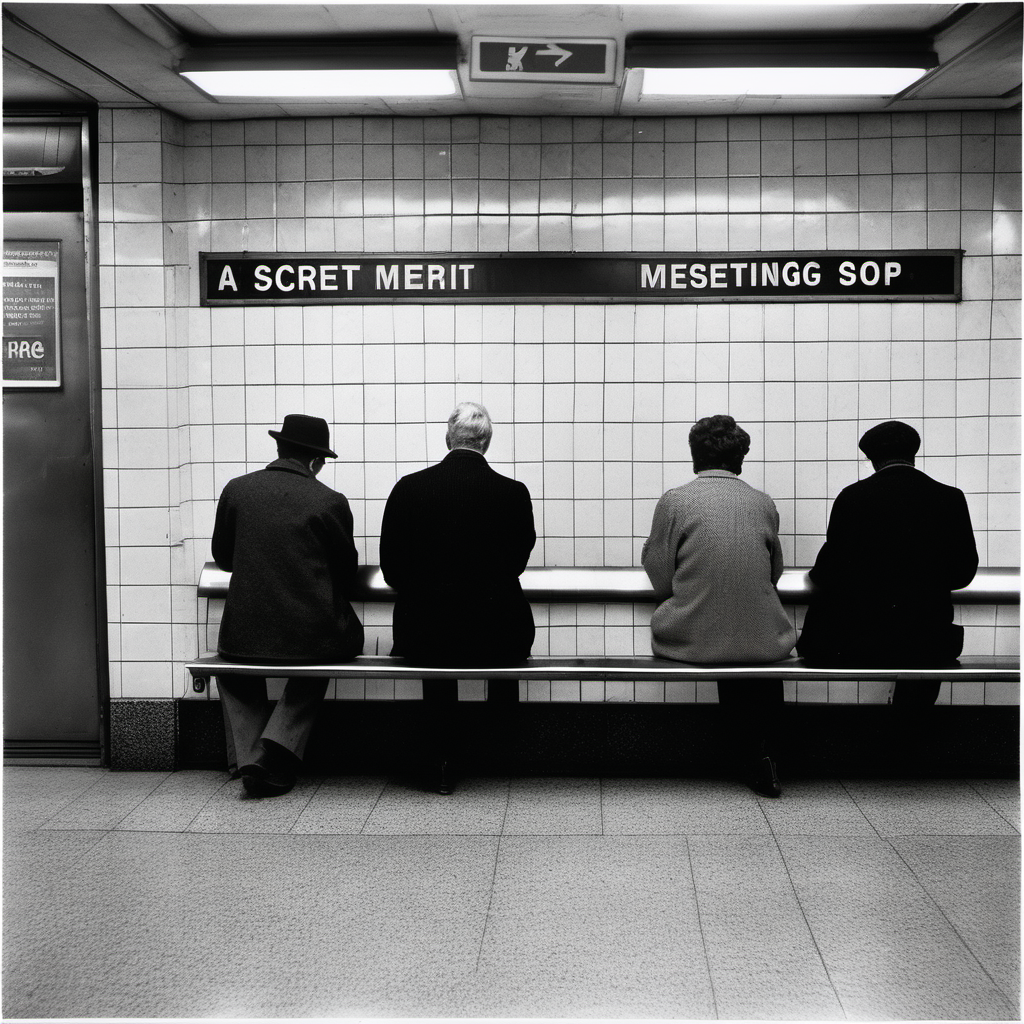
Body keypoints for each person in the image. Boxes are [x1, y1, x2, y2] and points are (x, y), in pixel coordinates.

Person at [379, 402, 536, 793]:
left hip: (423, 635)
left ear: (449, 438)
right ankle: (501, 750)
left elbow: (392, 569)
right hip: (499, 633)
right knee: (502, 649)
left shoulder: (408, 488)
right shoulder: (513, 493)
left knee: (437, 647)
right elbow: (516, 563)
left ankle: (442, 759)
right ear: (486, 442)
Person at [642, 414, 796, 797]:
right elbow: (774, 570)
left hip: (692, 636)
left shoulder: (675, 501)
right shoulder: (762, 503)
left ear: (695, 457)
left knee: (722, 635)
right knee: (751, 652)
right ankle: (764, 755)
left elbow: (659, 570)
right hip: (763, 637)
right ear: (740, 459)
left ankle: (747, 755)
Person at [211, 414, 364, 797]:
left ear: (279, 449)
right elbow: (345, 572)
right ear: (314, 461)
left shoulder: (237, 490)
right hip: (310, 637)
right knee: (327, 652)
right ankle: (275, 754)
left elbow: (223, 557)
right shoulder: (328, 501)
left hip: (241, 634)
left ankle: (251, 758)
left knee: (232, 669)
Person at [796, 420, 979, 706]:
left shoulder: (853, 497)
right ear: (913, 453)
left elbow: (829, 572)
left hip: (858, 641)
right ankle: (909, 735)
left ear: (872, 459)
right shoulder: (950, 498)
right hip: (927, 642)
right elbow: (963, 573)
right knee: (921, 679)